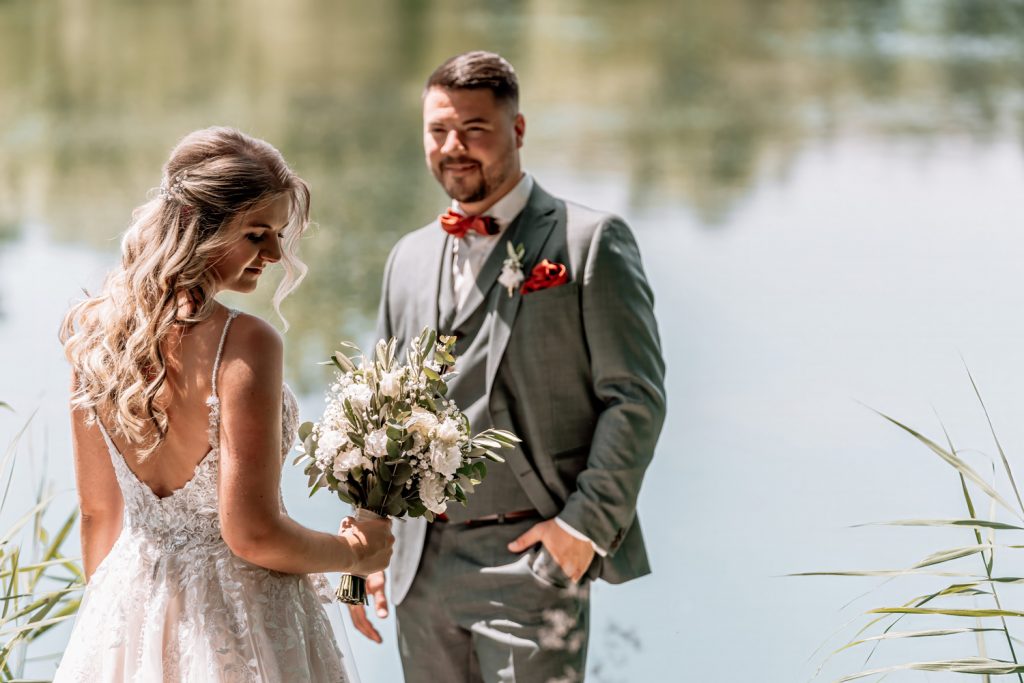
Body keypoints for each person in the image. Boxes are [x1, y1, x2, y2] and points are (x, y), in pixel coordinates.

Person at [350, 51, 666, 682]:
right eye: (439, 130)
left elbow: (634, 399)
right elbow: (378, 414)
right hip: (419, 566)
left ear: (517, 129)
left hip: (531, 560)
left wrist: (580, 529)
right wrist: (365, 548)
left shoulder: (589, 241)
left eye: (474, 128)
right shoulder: (407, 257)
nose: (454, 146)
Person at [55, 126, 393, 682]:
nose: (275, 254)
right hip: (241, 626)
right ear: (196, 225)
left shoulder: (96, 338)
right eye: (257, 234)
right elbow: (252, 533)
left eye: (278, 234)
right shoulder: (246, 343)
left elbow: (98, 514)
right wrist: (356, 553)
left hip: (127, 606)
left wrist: (112, 629)